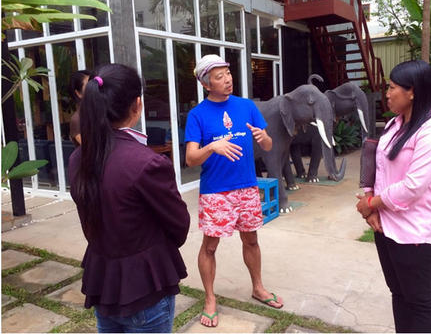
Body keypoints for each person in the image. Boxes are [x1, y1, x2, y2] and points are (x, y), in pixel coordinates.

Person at [68, 63, 190, 333]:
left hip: (103, 280)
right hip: (145, 284)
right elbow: (179, 225)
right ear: (137, 105)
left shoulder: (78, 158)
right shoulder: (147, 163)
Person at [185, 54, 283, 327]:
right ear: (207, 84)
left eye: (227, 73)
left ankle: (258, 287)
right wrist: (211, 147)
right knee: (210, 246)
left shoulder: (246, 106)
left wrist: (264, 138)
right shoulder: (198, 115)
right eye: (219, 77)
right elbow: (191, 159)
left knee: (251, 240)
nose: (227, 80)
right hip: (216, 191)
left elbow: (267, 145)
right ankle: (210, 299)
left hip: (247, 188)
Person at [356, 60, 431, 333]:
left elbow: (412, 187)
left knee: (419, 301)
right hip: (385, 227)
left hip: (414, 234)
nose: (386, 93)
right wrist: (370, 202)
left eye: (392, 87)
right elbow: (376, 163)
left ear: (412, 91)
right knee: (398, 294)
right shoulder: (395, 124)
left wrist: (370, 204)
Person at [69, 69, 91, 147]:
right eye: (89, 86)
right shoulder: (77, 120)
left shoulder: (101, 112)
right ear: (78, 93)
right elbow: (91, 149)